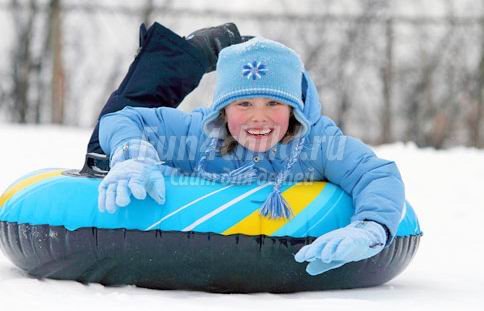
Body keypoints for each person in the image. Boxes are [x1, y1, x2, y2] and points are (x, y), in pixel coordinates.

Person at [97, 37, 405, 276]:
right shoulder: (201, 135)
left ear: (293, 108)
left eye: (273, 104)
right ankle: (193, 49)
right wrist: (132, 156)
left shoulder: (319, 142)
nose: (259, 118)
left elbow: (374, 173)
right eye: (244, 104)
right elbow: (120, 120)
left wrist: (370, 228)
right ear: (223, 109)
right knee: (121, 118)